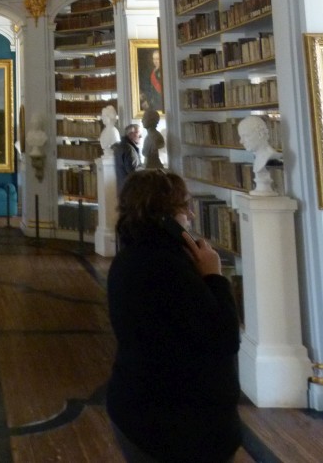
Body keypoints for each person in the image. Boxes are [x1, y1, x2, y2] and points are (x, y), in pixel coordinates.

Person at [107, 170, 242, 463]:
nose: (191, 215)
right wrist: (214, 275)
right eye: (184, 206)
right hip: (175, 427)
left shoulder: (130, 257)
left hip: (139, 408)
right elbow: (224, 337)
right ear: (164, 214)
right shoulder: (167, 266)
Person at [238, 115, 282, 195]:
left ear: (260, 134)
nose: (241, 141)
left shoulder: (271, 157)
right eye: (241, 137)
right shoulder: (257, 159)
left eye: (245, 136)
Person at [113, 122, 142, 193]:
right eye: (138, 133)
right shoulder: (129, 149)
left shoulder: (121, 146)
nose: (141, 136)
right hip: (130, 189)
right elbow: (133, 172)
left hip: (123, 187)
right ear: (131, 134)